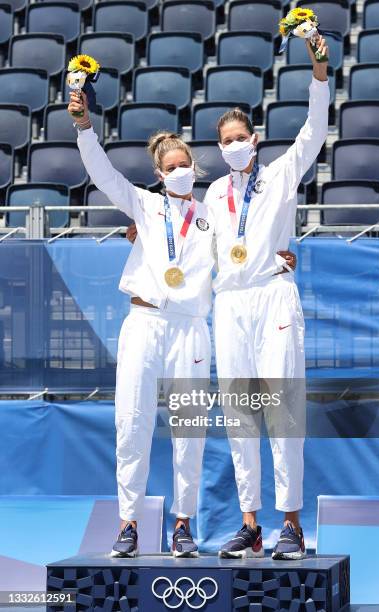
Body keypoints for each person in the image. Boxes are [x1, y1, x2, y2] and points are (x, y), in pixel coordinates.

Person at [68, 90, 216, 558]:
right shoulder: (145, 207)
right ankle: (129, 524)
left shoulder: (214, 216)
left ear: (194, 166)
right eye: (169, 168)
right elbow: (103, 174)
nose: (178, 172)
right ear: (159, 175)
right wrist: (84, 127)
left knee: (189, 430)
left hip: (191, 328)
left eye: (183, 164)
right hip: (145, 324)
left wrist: (280, 257)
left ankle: (183, 525)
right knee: (131, 424)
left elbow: (246, 252)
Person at [204, 33, 330, 560]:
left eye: (239, 136)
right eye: (224, 139)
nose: (232, 145)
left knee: (281, 413)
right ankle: (251, 523)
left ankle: (293, 526)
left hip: (274, 298)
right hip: (229, 305)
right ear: (220, 147)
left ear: (253, 139)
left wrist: (318, 68)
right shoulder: (211, 193)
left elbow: (315, 130)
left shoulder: (281, 175)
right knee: (240, 416)